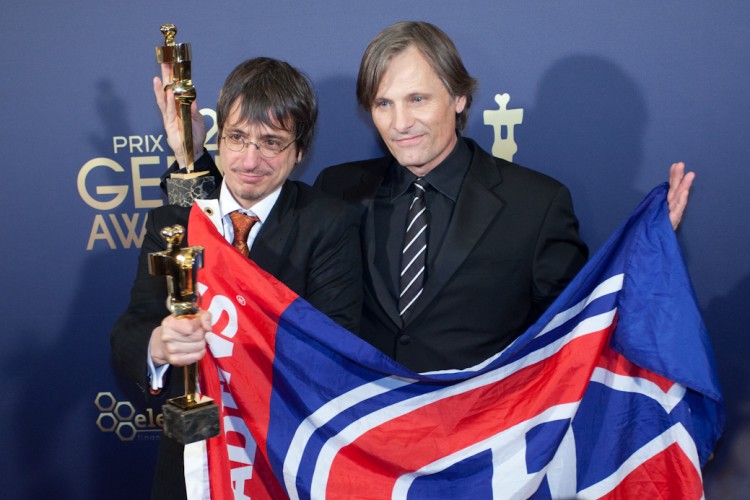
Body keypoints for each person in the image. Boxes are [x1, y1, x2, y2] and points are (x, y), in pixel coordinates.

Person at [170, 21, 695, 374]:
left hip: (479, 456)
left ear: (459, 97)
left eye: (417, 99)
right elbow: (238, 239)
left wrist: (644, 261)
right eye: (383, 104)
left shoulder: (536, 205)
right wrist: (191, 159)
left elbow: (576, 328)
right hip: (360, 452)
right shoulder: (338, 188)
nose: (400, 123)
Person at [110, 57, 362, 499]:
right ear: (219, 137)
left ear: (300, 150)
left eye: (271, 143)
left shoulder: (328, 224)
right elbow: (132, 327)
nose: (249, 160)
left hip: (282, 459)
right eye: (237, 137)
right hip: (192, 465)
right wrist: (160, 346)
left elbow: (333, 353)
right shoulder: (175, 222)